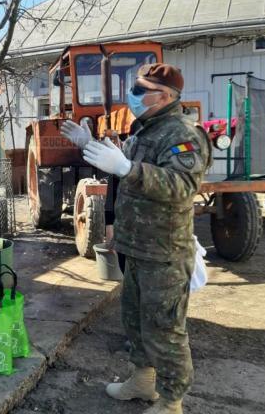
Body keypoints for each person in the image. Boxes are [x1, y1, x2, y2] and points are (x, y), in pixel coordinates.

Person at [84, 63, 211, 414]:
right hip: (136, 247)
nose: (133, 96)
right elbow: (127, 176)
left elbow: (182, 186)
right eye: (134, 88)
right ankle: (142, 381)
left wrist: (126, 167)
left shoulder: (182, 133)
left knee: (165, 330)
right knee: (136, 322)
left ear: (165, 96)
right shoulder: (144, 130)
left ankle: (172, 401)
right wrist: (93, 148)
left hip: (164, 251)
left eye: (141, 91)